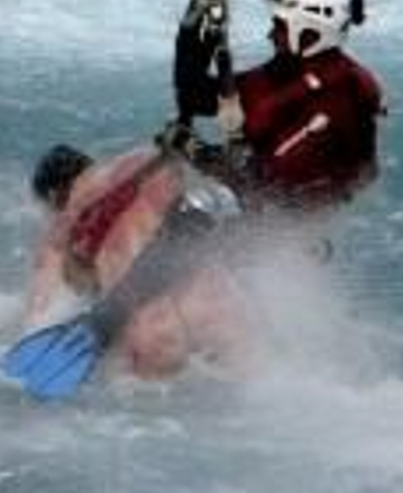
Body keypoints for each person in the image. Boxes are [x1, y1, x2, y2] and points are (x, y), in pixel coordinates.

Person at [21, 139, 249, 380]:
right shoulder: (141, 164)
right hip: (220, 305)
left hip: (156, 336)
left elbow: (41, 314)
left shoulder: (66, 227)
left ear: (55, 196)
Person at [171, 0, 385, 213]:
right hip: (260, 193)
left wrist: (199, 154)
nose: (270, 35)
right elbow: (196, 95)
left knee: (185, 210)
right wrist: (196, 20)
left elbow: (271, 185)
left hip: (297, 217)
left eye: (280, 27)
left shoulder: (339, 94)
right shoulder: (288, 70)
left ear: (310, 33)